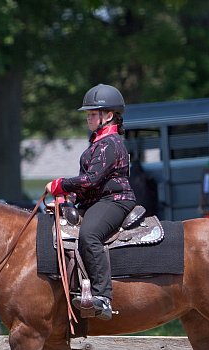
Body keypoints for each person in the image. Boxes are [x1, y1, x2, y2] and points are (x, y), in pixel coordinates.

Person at [46, 84, 136, 320]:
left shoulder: (110, 144)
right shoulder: (98, 143)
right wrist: (68, 199)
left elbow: (91, 179)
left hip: (115, 201)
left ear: (108, 116)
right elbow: (89, 187)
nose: (88, 118)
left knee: (90, 235)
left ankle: (103, 297)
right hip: (97, 200)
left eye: (92, 113)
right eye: (87, 114)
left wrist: (60, 185)